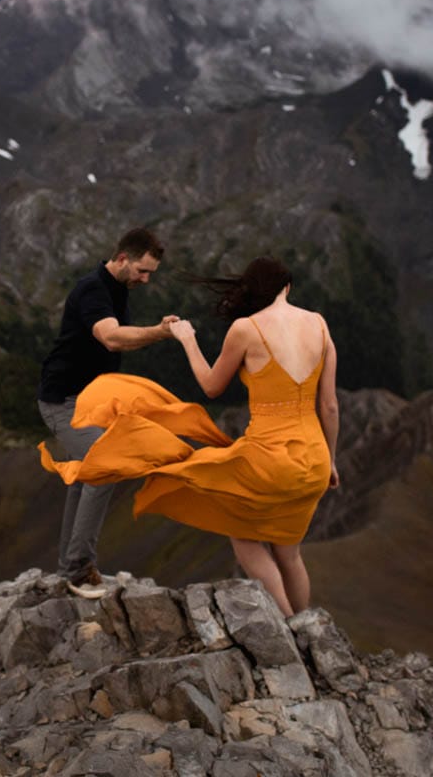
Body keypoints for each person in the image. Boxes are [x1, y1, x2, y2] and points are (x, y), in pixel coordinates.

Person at [38, 256, 339, 617]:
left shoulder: (246, 328)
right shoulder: (319, 325)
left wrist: (187, 339)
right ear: (287, 288)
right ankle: (307, 629)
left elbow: (211, 386)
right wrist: (332, 460)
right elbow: (330, 406)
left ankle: (289, 624)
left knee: (243, 534)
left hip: (269, 458)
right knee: (290, 553)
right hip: (315, 459)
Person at [37, 227, 179, 598]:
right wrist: (162, 332)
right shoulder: (92, 290)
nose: (146, 280)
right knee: (106, 467)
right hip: (62, 401)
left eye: (150, 273)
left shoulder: (117, 288)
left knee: (84, 476)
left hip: (90, 402)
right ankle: (78, 570)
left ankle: (69, 567)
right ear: (121, 259)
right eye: (142, 271)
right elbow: (112, 337)